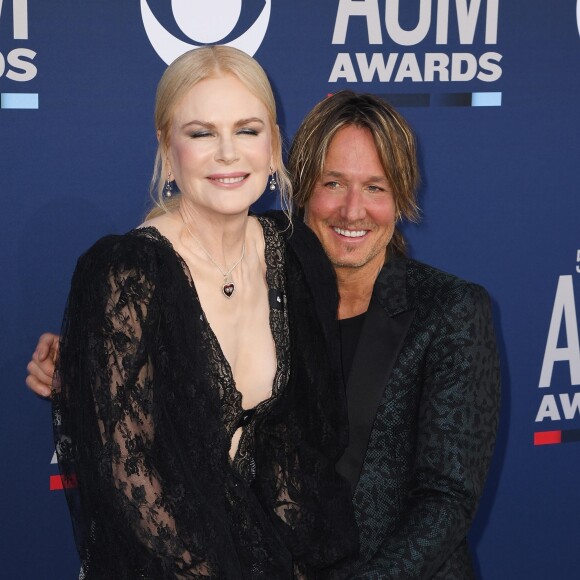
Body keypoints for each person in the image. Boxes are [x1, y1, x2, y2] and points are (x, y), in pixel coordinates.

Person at [28, 90, 500, 579]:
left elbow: (446, 499)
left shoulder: (450, 310)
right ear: (298, 188)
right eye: (333, 183)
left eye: (376, 188)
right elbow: (177, 335)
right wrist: (90, 355)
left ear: (401, 197)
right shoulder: (269, 276)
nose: (352, 210)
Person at [37, 46, 358, 579]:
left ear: (275, 142)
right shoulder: (126, 272)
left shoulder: (295, 253)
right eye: (202, 133)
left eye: (248, 130)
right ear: (167, 148)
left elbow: (302, 444)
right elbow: (130, 476)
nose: (228, 153)